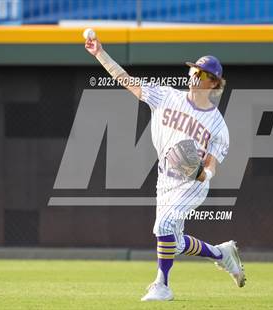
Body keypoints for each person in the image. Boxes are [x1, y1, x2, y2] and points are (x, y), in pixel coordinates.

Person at [85, 37, 245, 301]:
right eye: (193, 69)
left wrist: (205, 174)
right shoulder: (167, 95)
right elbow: (127, 80)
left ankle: (163, 285)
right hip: (165, 180)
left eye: (202, 73)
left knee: (164, 224)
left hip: (193, 183)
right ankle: (222, 254)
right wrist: (100, 54)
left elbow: (211, 166)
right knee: (174, 239)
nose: (195, 75)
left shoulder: (218, 126)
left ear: (214, 83)